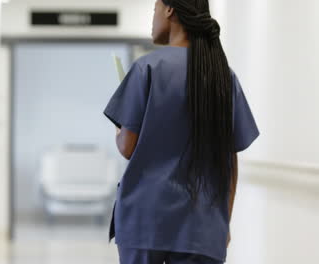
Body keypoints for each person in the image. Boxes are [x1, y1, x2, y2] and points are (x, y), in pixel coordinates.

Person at [102, 0, 260, 263]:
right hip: (203, 226)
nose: (152, 19)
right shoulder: (223, 76)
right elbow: (229, 161)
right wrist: (224, 221)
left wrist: (120, 128)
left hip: (145, 220)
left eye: (154, 10)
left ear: (169, 10)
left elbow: (127, 148)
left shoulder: (146, 68)